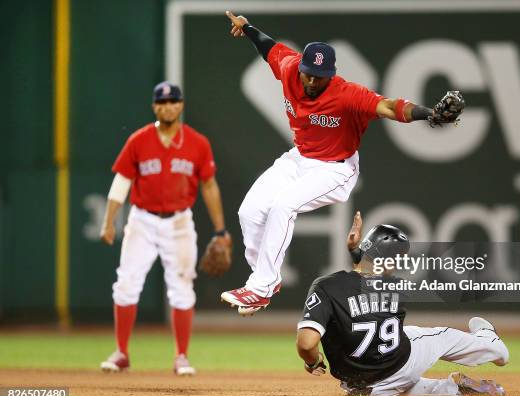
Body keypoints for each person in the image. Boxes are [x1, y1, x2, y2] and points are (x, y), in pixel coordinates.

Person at [220, 11, 464, 315]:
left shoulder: (346, 95)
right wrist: (248, 28)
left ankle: (260, 287)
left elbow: (390, 106)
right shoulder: (290, 67)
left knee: (284, 206)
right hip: (298, 158)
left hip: (336, 168)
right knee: (250, 210)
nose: (310, 79)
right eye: (308, 72)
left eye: (318, 76)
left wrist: (430, 114)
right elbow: (269, 47)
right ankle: (265, 280)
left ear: (331, 74)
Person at [295, 212, 509, 396]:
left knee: (389, 340)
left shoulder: (326, 286)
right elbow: (373, 276)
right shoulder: (397, 287)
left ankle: (450, 389)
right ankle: (493, 345)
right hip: (401, 363)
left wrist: (313, 362)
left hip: (361, 387)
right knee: (443, 336)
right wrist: (355, 251)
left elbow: (306, 344)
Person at [99, 81, 231, 375]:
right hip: (142, 220)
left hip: (179, 221)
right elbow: (121, 182)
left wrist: (221, 231)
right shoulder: (139, 140)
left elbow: (209, 185)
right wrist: (108, 221)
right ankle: (122, 352)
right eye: (162, 102)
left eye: (173, 101)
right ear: (154, 107)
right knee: (126, 284)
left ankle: (181, 356)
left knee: (182, 288)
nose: (168, 106)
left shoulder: (197, 143)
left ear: (181, 106)